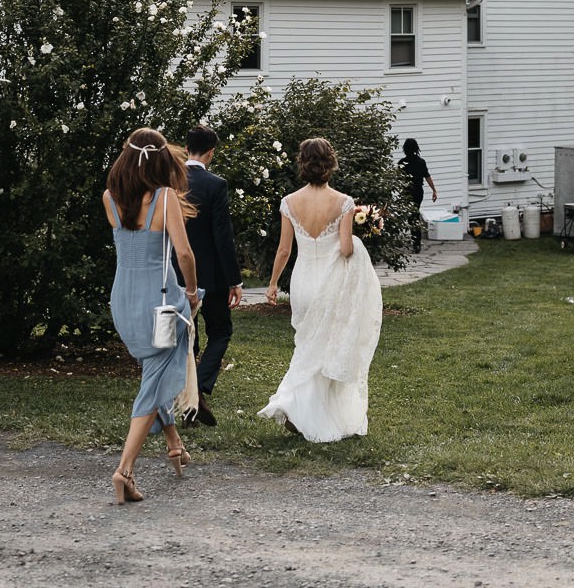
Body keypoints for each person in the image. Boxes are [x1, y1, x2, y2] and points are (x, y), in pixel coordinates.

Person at [259, 137, 383, 442]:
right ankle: (303, 409)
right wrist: (357, 238)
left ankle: (302, 409)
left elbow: (284, 250)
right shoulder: (343, 202)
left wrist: (274, 283)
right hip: (330, 283)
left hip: (302, 282)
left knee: (307, 346)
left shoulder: (289, 202)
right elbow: (345, 249)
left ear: (303, 163)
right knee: (326, 349)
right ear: (330, 164)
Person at [102, 127, 200, 503]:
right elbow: (185, 254)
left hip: (123, 299)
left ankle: (174, 442)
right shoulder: (164, 198)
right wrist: (191, 293)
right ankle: (124, 470)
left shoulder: (109, 198)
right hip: (158, 301)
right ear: (160, 161)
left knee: (153, 372)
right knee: (153, 382)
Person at [180, 124, 242, 427]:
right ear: (211, 152)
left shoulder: (169, 182)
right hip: (212, 276)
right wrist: (234, 279)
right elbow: (222, 236)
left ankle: (190, 394)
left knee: (186, 335)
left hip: (177, 271)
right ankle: (201, 388)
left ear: (186, 147)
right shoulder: (215, 184)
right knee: (220, 330)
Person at [398, 138, 438, 250]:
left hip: (406, 192)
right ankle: (416, 241)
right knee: (414, 215)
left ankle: (414, 241)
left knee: (411, 216)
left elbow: (398, 179)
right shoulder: (421, 162)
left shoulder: (402, 163)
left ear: (405, 149)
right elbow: (427, 176)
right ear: (416, 148)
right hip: (418, 192)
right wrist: (434, 190)